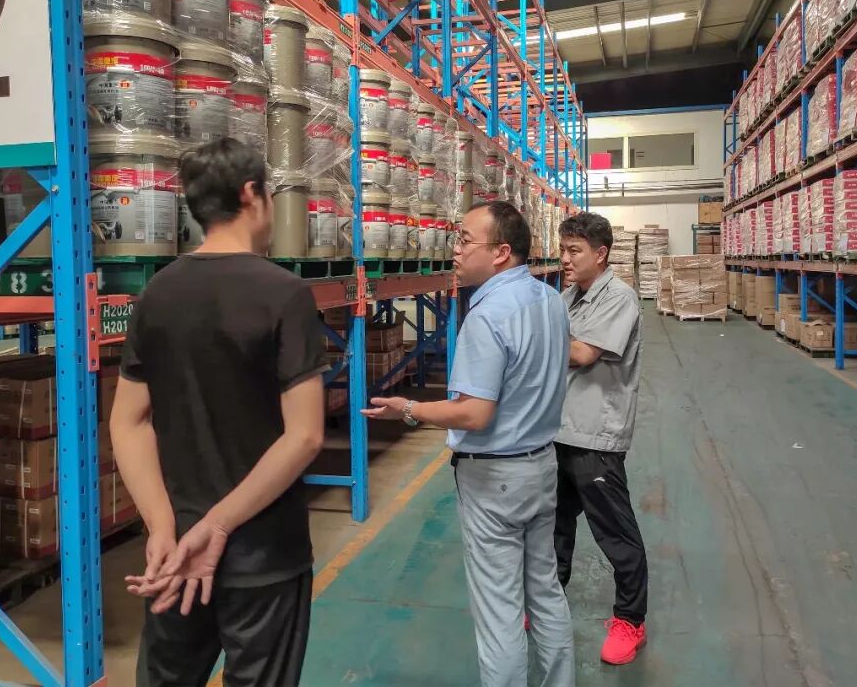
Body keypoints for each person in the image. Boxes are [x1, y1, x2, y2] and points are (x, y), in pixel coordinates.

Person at [111, 137, 327, 687]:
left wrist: (162, 525)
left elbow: (127, 420)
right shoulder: (284, 294)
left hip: (175, 553)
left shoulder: (157, 293)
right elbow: (304, 436)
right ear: (252, 194)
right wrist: (220, 524)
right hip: (262, 556)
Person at [365, 201, 575, 687]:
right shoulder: (549, 300)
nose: (454, 250)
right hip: (541, 465)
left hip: (496, 477)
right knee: (544, 590)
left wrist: (409, 409)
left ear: (501, 252)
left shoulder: (488, 314)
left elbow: (474, 413)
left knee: (499, 609)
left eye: (463, 240)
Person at [554, 212, 649, 666]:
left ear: (601, 253)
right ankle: (548, 602)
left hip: (595, 435)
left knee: (614, 533)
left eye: (574, 250)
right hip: (558, 429)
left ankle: (630, 620)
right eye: (562, 249)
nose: (565, 258)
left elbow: (582, 353)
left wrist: (529, 330)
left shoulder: (619, 298)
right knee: (553, 526)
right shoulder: (568, 296)